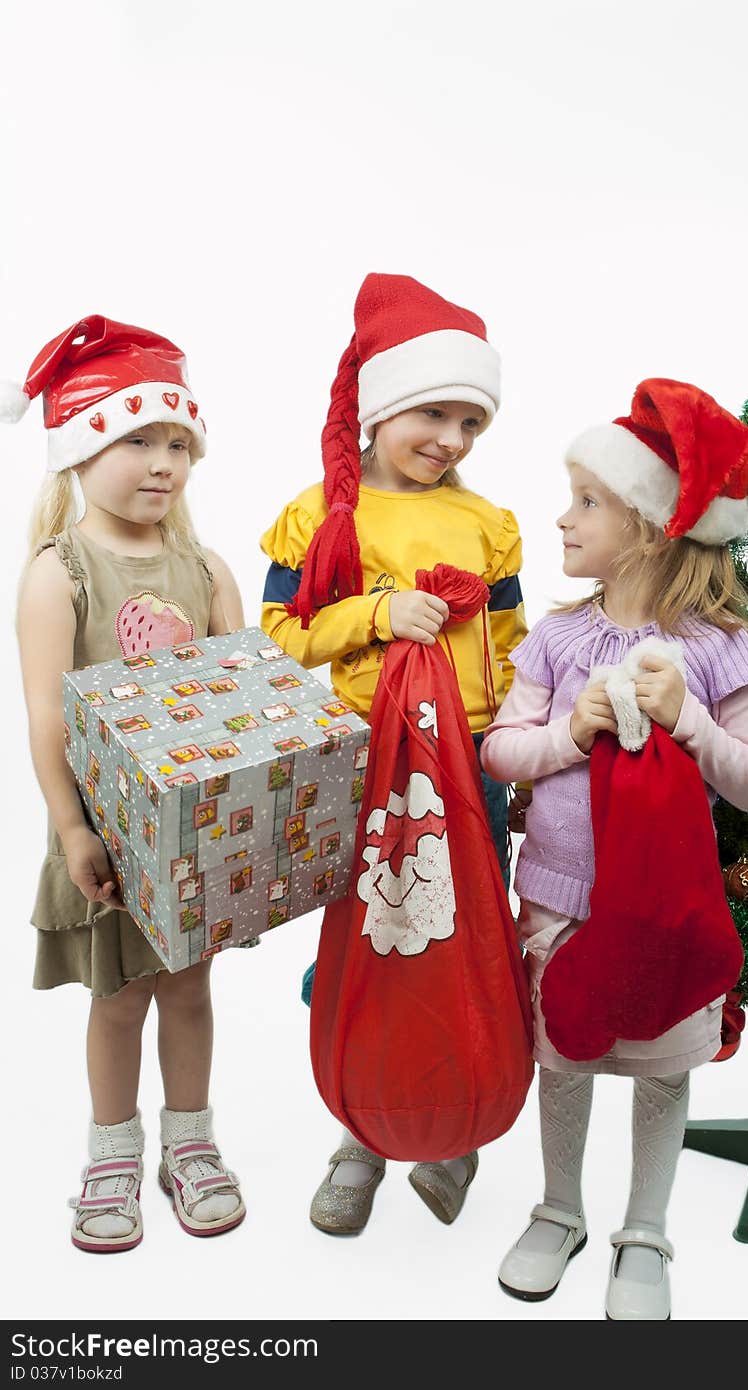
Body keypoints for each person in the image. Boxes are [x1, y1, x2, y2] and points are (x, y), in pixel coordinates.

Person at [481, 378, 748, 1319]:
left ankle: (644, 1231)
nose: (562, 520)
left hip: (668, 903)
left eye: (587, 501)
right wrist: (573, 732)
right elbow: (501, 749)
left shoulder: (720, 647)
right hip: (561, 898)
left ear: (648, 526)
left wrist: (684, 717)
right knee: (563, 1057)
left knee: (662, 1066)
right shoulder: (561, 637)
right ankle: (558, 1209)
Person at [260, 273, 527, 1234]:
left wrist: (513, 756)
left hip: (465, 776)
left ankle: (456, 1130)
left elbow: (509, 650)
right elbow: (273, 645)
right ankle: (364, 1132)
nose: (452, 441)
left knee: (463, 940)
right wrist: (374, 613)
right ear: (378, 410)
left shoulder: (489, 525)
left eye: (471, 423)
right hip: (355, 774)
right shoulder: (317, 518)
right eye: (435, 414)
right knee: (367, 943)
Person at [9, 317, 247, 1251]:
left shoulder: (205, 567)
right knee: (118, 1001)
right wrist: (72, 830)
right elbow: (46, 717)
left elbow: (247, 698)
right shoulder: (56, 574)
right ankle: (112, 1151)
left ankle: (190, 1143)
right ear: (81, 447)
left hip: (194, 835)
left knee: (189, 990)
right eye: (136, 438)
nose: (164, 463)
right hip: (108, 835)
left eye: (179, 444)